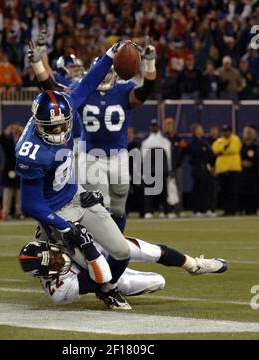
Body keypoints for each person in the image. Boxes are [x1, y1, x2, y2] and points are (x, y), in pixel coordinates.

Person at [15, 41, 135, 310]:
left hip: (76, 194)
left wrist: (109, 55)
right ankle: (105, 287)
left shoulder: (68, 103)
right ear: (37, 123)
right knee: (91, 257)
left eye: (63, 125)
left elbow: (89, 82)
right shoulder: (30, 151)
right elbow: (30, 204)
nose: (60, 133)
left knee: (122, 250)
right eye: (52, 127)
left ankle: (107, 286)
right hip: (56, 209)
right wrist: (64, 226)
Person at [18, 234, 228, 308]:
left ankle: (194, 265)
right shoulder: (60, 291)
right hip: (101, 274)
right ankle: (108, 294)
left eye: (53, 255)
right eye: (52, 264)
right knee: (159, 281)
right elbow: (99, 275)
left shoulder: (47, 235)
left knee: (153, 251)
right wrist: (86, 245)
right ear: (44, 275)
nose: (58, 260)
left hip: (97, 247)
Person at [77, 43, 156, 233]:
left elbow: (146, 90)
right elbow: (57, 93)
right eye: (102, 73)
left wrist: (150, 63)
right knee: (98, 205)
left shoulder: (124, 90)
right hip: (91, 155)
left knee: (119, 208)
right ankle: (98, 248)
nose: (105, 76)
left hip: (118, 155)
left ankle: (115, 245)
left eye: (109, 72)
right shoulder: (82, 90)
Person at [141, 120, 171, 219]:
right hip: (150, 169)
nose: (154, 128)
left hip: (161, 169)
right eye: (153, 126)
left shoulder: (165, 141)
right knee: (149, 191)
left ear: (158, 127)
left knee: (162, 191)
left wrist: (169, 169)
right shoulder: (146, 142)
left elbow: (168, 156)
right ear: (151, 127)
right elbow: (143, 157)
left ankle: (163, 210)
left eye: (156, 126)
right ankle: (148, 211)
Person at [0, 123, 24, 220]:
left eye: (17, 128)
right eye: (13, 129)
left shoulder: (24, 139)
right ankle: (5, 213)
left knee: (19, 193)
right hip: (8, 169)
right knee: (7, 192)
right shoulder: (7, 139)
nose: (15, 130)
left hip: (21, 169)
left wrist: (24, 132)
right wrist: (4, 133)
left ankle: (18, 212)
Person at [212, 125, 242, 216]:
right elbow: (215, 150)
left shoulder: (235, 139)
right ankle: (226, 209)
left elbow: (233, 149)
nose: (226, 133)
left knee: (233, 190)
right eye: (225, 131)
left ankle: (233, 209)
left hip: (233, 168)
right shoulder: (219, 141)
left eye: (228, 131)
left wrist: (222, 151)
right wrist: (224, 149)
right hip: (222, 169)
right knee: (224, 191)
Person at [187, 124, 215, 217]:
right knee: (198, 189)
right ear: (195, 131)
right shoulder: (192, 142)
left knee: (208, 189)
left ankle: (207, 209)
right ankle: (197, 210)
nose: (202, 130)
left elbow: (210, 153)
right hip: (197, 168)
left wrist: (211, 165)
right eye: (200, 129)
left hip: (206, 167)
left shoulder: (205, 141)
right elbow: (194, 153)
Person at [162, 117, 187, 216]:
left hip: (176, 167)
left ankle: (178, 210)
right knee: (166, 189)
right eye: (167, 124)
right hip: (166, 168)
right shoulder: (163, 138)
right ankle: (168, 210)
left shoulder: (178, 138)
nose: (169, 126)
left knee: (178, 189)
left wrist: (179, 161)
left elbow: (184, 149)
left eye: (171, 124)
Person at [239, 125, 259, 215]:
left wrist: (253, 163)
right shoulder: (240, 145)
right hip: (242, 172)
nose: (248, 134)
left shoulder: (256, 145)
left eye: (250, 132)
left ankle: (253, 209)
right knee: (243, 190)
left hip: (254, 172)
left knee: (254, 191)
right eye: (246, 132)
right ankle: (244, 209)